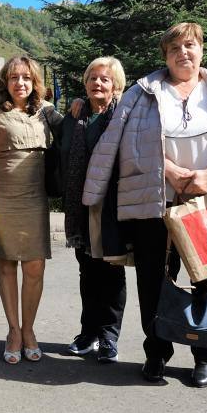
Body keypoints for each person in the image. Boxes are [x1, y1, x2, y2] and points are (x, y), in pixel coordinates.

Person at [83, 22, 207, 387]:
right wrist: (170, 171)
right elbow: (123, 144)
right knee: (153, 279)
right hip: (155, 199)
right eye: (174, 48)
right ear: (165, 55)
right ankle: (156, 353)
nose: (183, 53)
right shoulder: (142, 93)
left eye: (189, 46)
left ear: (201, 50)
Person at [0, 56, 62, 364]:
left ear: (34, 82)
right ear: (6, 81)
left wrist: (80, 105)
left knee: (34, 268)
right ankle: (13, 330)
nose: (20, 83)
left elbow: (70, 134)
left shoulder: (46, 112)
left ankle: (29, 329)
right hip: (3, 199)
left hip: (35, 198)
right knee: (6, 266)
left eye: (26, 78)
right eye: (14, 78)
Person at [60, 57, 128, 364]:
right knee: (87, 272)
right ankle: (88, 333)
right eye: (93, 78)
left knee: (112, 272)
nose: (98, 83)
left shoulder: (125, 116)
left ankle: (109, 336)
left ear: (116, 85)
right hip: (82, 208)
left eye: (104, 79)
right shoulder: (76, 116)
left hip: (111, 207)